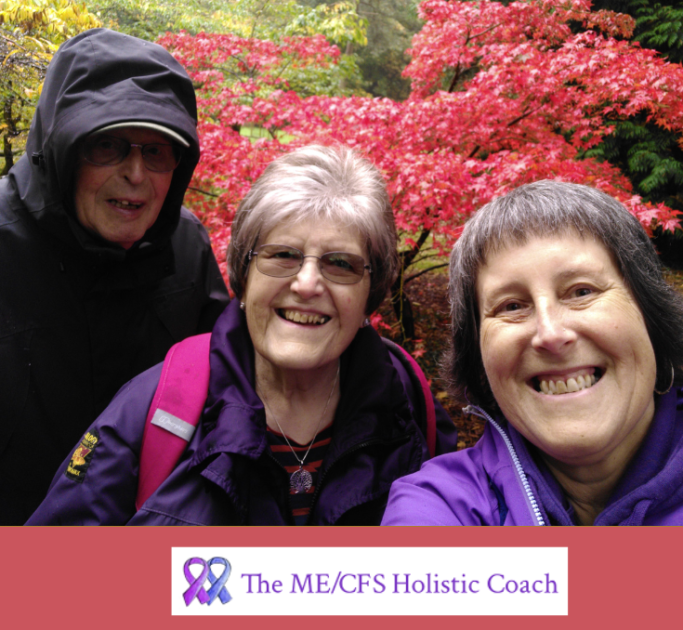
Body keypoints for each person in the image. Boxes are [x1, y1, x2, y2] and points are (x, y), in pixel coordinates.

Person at [27, 144, 459, 526]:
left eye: (340, 264)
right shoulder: (157, 408)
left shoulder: (406, 405)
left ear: (372, 289)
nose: (307, 284)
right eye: (283, 255)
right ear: (245, 273)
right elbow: (44, 588)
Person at [1, 27, 229, 525]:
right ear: (60, 150)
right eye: (108, 145)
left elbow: (231, 381)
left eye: (157, 151)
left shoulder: (184, 248)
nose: (135, 174)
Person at [382, 180, 683, 527]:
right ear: (478, 357)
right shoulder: (440, 503)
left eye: (581, 291)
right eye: (511, 306)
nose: (551, 333)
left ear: (650, 313)